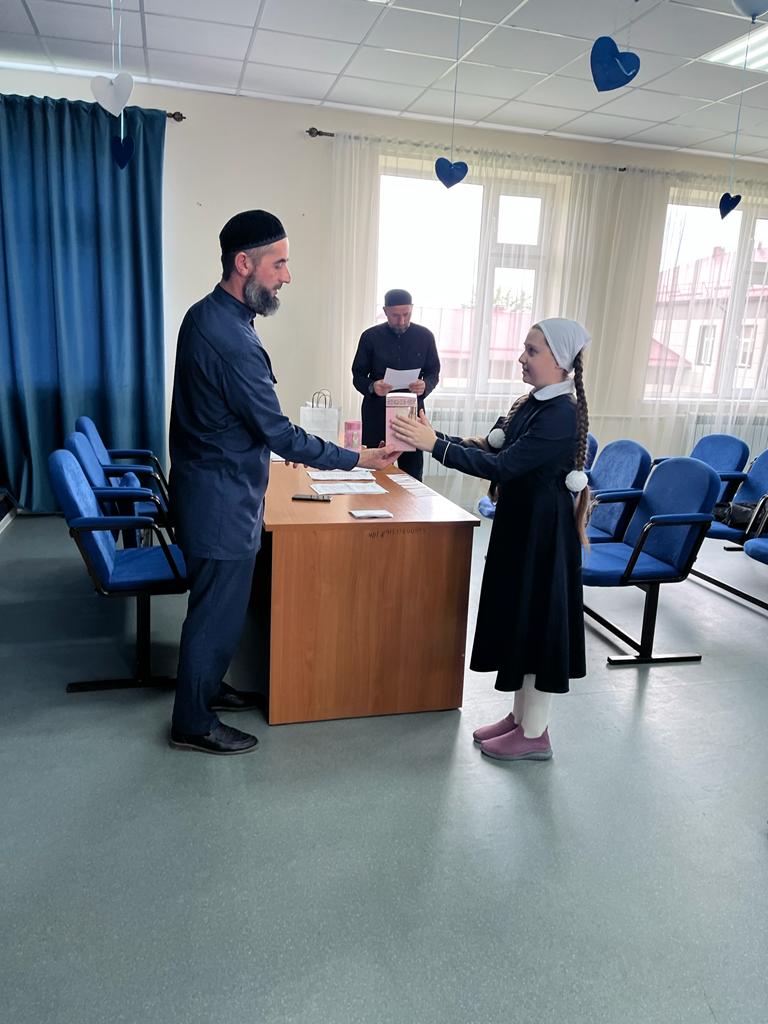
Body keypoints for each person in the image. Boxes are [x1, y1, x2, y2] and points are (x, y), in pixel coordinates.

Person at [168, 210, 397, 756]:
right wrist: (358, 458)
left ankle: (207, 688)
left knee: (222, 610)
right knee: (215, 614)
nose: (287, 277)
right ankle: (192, 722)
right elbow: (278, 433)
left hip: (216, 489)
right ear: (244, 264)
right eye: (280, 264)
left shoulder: (212, 316)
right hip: (221, 501)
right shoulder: (230, 338)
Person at [391, 318, 591, 762]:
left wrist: (433, 445)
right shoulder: (533, 404)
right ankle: (520, 719)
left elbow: (503, 467)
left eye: (532, 351)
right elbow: (492, 448)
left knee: (536, 628)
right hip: (522, 527)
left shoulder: (561, 414)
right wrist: (434, 436)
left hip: (543, 537)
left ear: (560, 361)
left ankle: (535, 733)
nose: (522, 358)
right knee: (521, 622)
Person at [351, 288, 440, 481]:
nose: (401, 321)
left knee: (412, 476)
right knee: (373, 474)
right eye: (395, 316)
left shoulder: (425, 336)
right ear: (385, 311)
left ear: (412, 309)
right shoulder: (370, 337)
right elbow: (357, 376)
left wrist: (425, 385)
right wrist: (373, 386)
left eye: (406, 314)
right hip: (376, 414)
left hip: (411, 416)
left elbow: (434, 372)